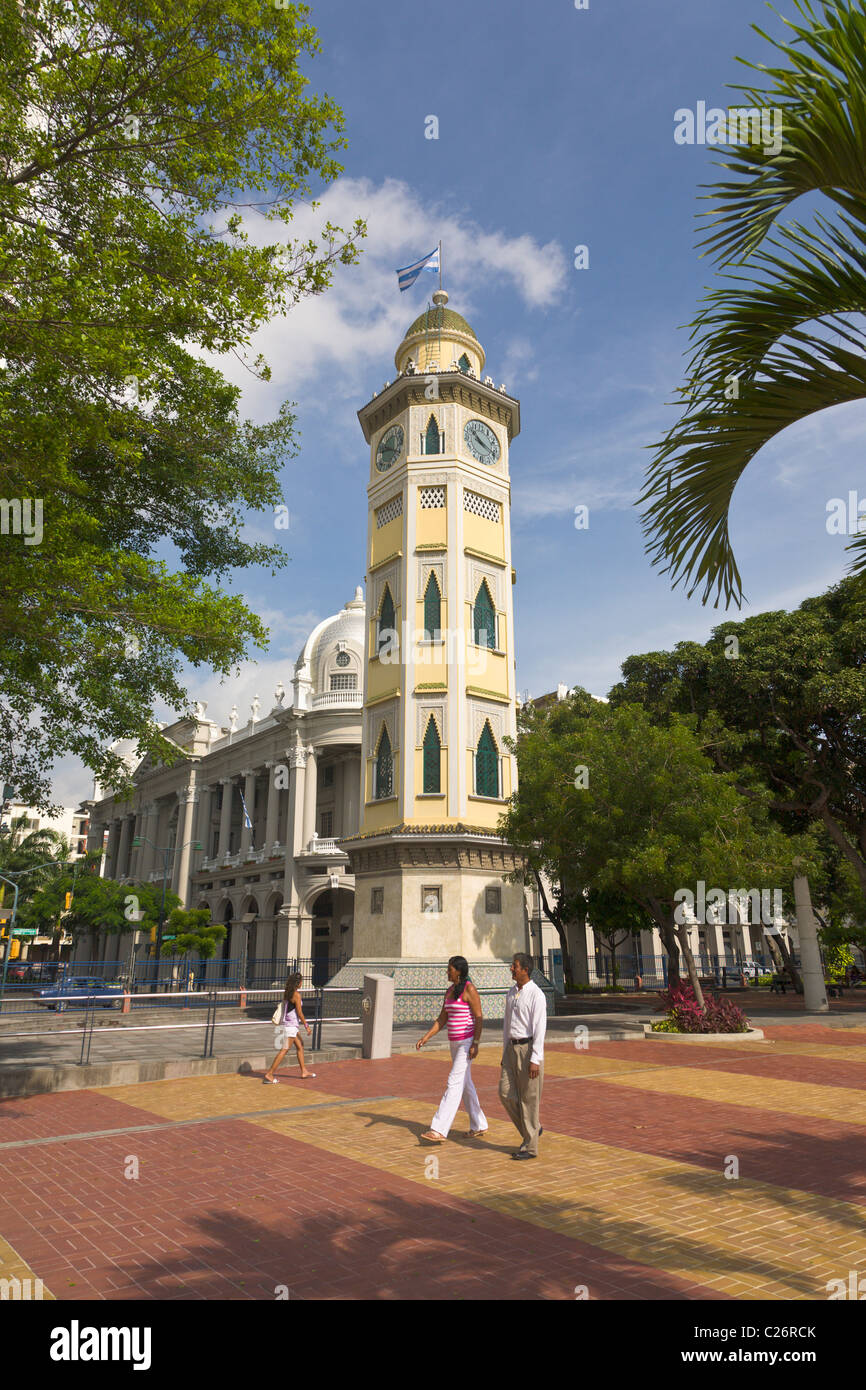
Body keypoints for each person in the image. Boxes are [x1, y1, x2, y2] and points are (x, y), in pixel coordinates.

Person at [417, 956, 487, 1143]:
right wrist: (426, 1037)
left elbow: (479, 1017)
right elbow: (442, 1019)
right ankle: (479, 1124)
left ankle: (438, 1129)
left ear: (459, 971)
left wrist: (476, 1043)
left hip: (466, 1043)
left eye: (450, 969)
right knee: (465, 1083)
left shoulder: (469, 989)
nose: (447, 972)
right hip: (454, 1044)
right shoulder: (449, 991)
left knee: (454, 1082)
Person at [499, 952, 546, 1159]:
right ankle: (533, 1129)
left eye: (514, 966)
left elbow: (539, 1028)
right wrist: (504, 1051)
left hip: (528, 1050)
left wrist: (535, 1059)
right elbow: (506, 1025)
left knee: (529, 1099)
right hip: (511, 1049)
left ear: (525, 970)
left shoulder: (536, 994)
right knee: (505, 1093)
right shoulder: (511, 993)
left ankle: (530, 1147)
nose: (511, 968)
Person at [264, 971, 316, 1083]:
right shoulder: (296, 995)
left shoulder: (288, 992)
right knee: (284, 1050)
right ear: (298, 983)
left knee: (300, 1046)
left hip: (289, 1025)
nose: (302, 983)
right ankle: (269, 1074)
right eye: (302, 981)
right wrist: (307, 1026)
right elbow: (300, 1013)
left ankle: (304, 1071)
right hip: (291, 1026)